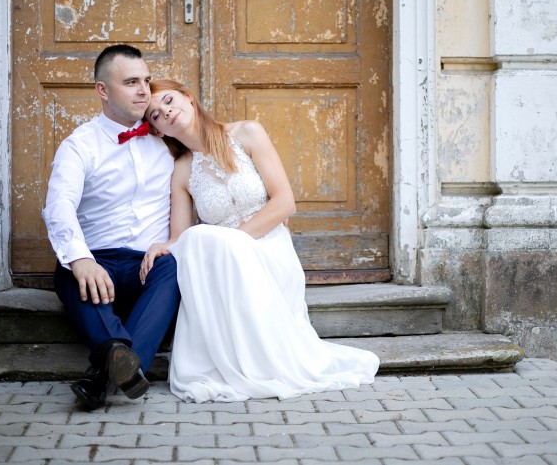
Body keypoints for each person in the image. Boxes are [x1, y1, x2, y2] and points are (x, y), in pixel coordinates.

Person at [139, 79, 379, 403]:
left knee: (208, 239)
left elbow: (285, 203)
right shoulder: (181, 170)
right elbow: (180, 237)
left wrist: (235, 242)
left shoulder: (247, 133)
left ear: (188, 98)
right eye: (155, 114)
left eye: (168, 101)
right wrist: (161, 247)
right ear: (157, 131)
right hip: (229, 269)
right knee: (195, 239)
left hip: (270, 251)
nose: (165, 112)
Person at [42, 45, 180, 411]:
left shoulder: (167, 140)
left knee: (171, 267)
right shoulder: (79, 145)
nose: (143, 91)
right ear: (103, 90)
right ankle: (124, 366)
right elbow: (59, 206)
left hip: (145, 269)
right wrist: (81, 260)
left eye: (146, 81)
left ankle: (102, 374)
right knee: (67, 266)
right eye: (131, 82)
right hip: (96, 266)